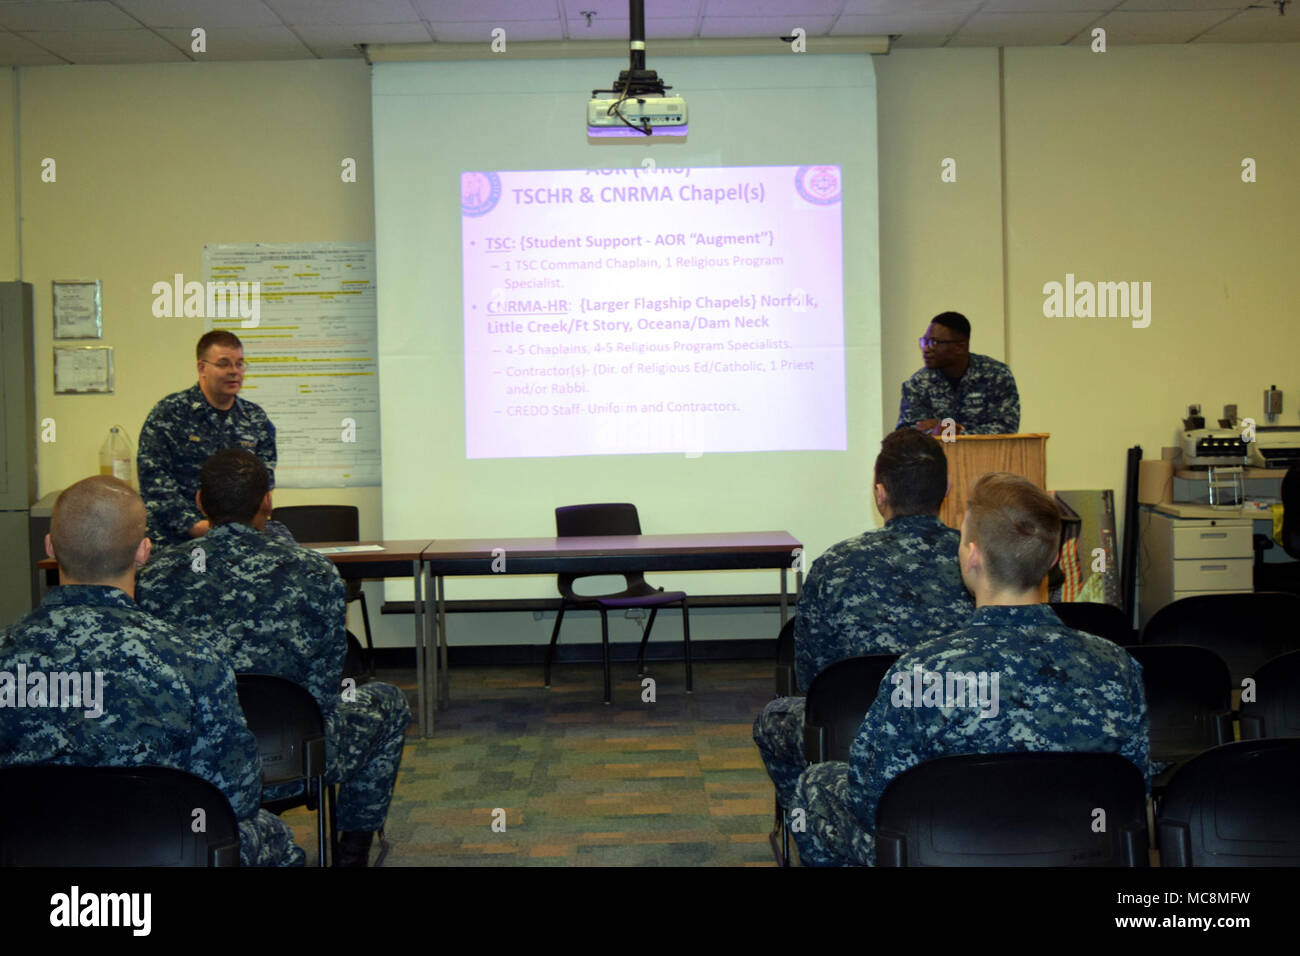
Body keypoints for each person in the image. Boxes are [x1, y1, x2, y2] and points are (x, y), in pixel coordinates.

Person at [790, 473, 1150, 866]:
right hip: (1076, 850)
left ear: (972, 556)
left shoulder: (920, 673)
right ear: (1051, 560)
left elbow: (869, 801)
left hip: (946, 853)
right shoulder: (1118, 668)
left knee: (815, 784)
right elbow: (1134, 792)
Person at [0, 476, 303, 866]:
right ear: (144, 552)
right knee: (274, 834)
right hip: (164, 852)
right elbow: (237, 793)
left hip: (26, 851)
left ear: (49, 546)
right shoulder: (193, 658)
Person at [135, 449, 408, 867]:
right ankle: (351, 853)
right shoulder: (315, 572)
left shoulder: (155, 576)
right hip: (301, 757)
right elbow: (326, 683)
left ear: (200, 503)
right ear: (267, 501)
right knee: (387, 702)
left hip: (199, 764)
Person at [752, 429, 973, 809]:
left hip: (855, 728)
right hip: (961, 721)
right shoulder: (978, 561)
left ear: (880, 493)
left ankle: (821, 820)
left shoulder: (835, 564)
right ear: (948, 487)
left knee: (772, 719)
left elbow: (813, 679)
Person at [138, 330, 277, 546]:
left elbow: (264, 479)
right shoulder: (170, 413)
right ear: (202, 367)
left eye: (239, 364)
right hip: (177, 541)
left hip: (239, 541)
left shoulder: (255, 418)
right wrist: (193, 525)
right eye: (224, 364)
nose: (234, 372)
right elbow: (154, 480)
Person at [897, 311, 1020, 435]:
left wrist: (955, 434)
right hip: (936, 454)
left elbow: (1007, 426)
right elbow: (905, 434)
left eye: (934, 342)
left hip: (987, 454)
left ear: (960, 347)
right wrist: (934, 432)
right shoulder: (917, 384)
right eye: (924, 341)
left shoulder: (996, 375)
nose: (926, 349)